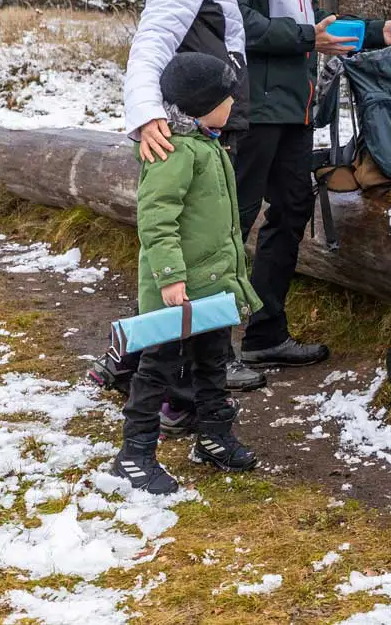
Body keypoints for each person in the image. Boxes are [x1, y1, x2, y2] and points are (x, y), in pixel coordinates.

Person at [89, 0, 266, 404]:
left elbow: (224, 34)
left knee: (203, 240)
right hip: (189, 125)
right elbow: (152, 42)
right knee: (195, 244)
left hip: (212, 117)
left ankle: (134, 362)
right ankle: (176, 380)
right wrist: (146, 116)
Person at [225, 0, 391, 370]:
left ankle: (265, 334)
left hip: (294, 108)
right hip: (256, 107)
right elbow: (239, 23)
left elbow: (315, 18)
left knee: (292, 210)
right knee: (232, 221)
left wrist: (377, 31)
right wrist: (309, 38)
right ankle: (207, 352)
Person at [110, 52, 260, 494]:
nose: (233, 102)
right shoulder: (173, 152)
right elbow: (156, 219)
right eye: (227, 98)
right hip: (175, 290)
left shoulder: (207, 144)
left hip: (211, 288)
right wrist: (170, 276)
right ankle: (134, 453)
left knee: (212, 362)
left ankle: (213, 436)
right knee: (157, 367)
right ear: (202, 104)